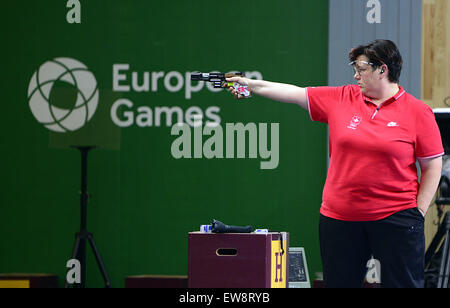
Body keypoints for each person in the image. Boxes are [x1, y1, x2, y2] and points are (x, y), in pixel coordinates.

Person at [226, 39, 444, 288]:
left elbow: (432, 166)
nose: (355, 75)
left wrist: (418, 213)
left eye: (361, 69)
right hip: (340, 219)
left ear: (382, 69)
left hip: (396, 218)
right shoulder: (341, 98)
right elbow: (293, 93)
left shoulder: (417, 111)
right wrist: (250, 85)